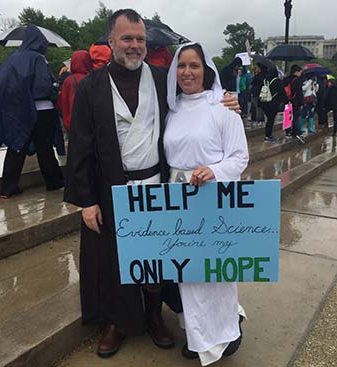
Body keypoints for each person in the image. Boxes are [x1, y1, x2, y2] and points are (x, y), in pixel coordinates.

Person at [63, 9, 240, 358]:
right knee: (115, 259)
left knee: (157, 260)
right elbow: (79, 146)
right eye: (127, 38)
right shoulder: (90, 88)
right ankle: (117, 322)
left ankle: (154, 316)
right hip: (111, 189)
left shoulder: (162, 79)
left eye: (140, 39)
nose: (134, 45)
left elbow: (199, 92)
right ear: (111, 41)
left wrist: (230, 99)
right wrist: (86, 201)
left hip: (158, 186)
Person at [164, 42, 248, 366]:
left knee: (214, 271)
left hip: (212, 196)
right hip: (177, 196)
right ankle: (198, 335)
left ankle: (225, 332)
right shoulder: (171, 107)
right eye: (182, 66)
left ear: (206, 69)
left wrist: (212, 171)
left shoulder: (222, 106)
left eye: (194, 66)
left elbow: (239, 156)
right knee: (188, 272)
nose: (187, 72)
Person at [0, 25, 65, 199]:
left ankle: (8, 187)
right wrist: (54, 88)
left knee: (16, 147)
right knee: (45, 148)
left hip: (20, 112)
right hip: (43, 111)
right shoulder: (39, 58)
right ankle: (54, 182)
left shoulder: (12, 59)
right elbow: (43, 86)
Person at [55, 50, 93, 133]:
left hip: (71, 124)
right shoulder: (92, 79)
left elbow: (60, 104)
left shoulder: (67, 81)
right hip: (89, 124)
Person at [258, 63, 287, 142]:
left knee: (268, 119)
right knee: (271, 120)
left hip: (264, 102)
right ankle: (268, 136)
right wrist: (286, 101)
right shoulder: (277, 81)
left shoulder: (265, 80)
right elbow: (282, 93)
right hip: (273, 104)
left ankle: (268, 135)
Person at [281, 65, 304, 139]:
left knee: (287, 116)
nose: (300, 74)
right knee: (296, 117)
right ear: (296, 72)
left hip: (287, 100)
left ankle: (288, 132)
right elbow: (299, 92)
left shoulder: (286, 79)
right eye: (300, 72)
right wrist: (302, 102)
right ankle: (297, 132)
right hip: (295, 101)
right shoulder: (297, 80)